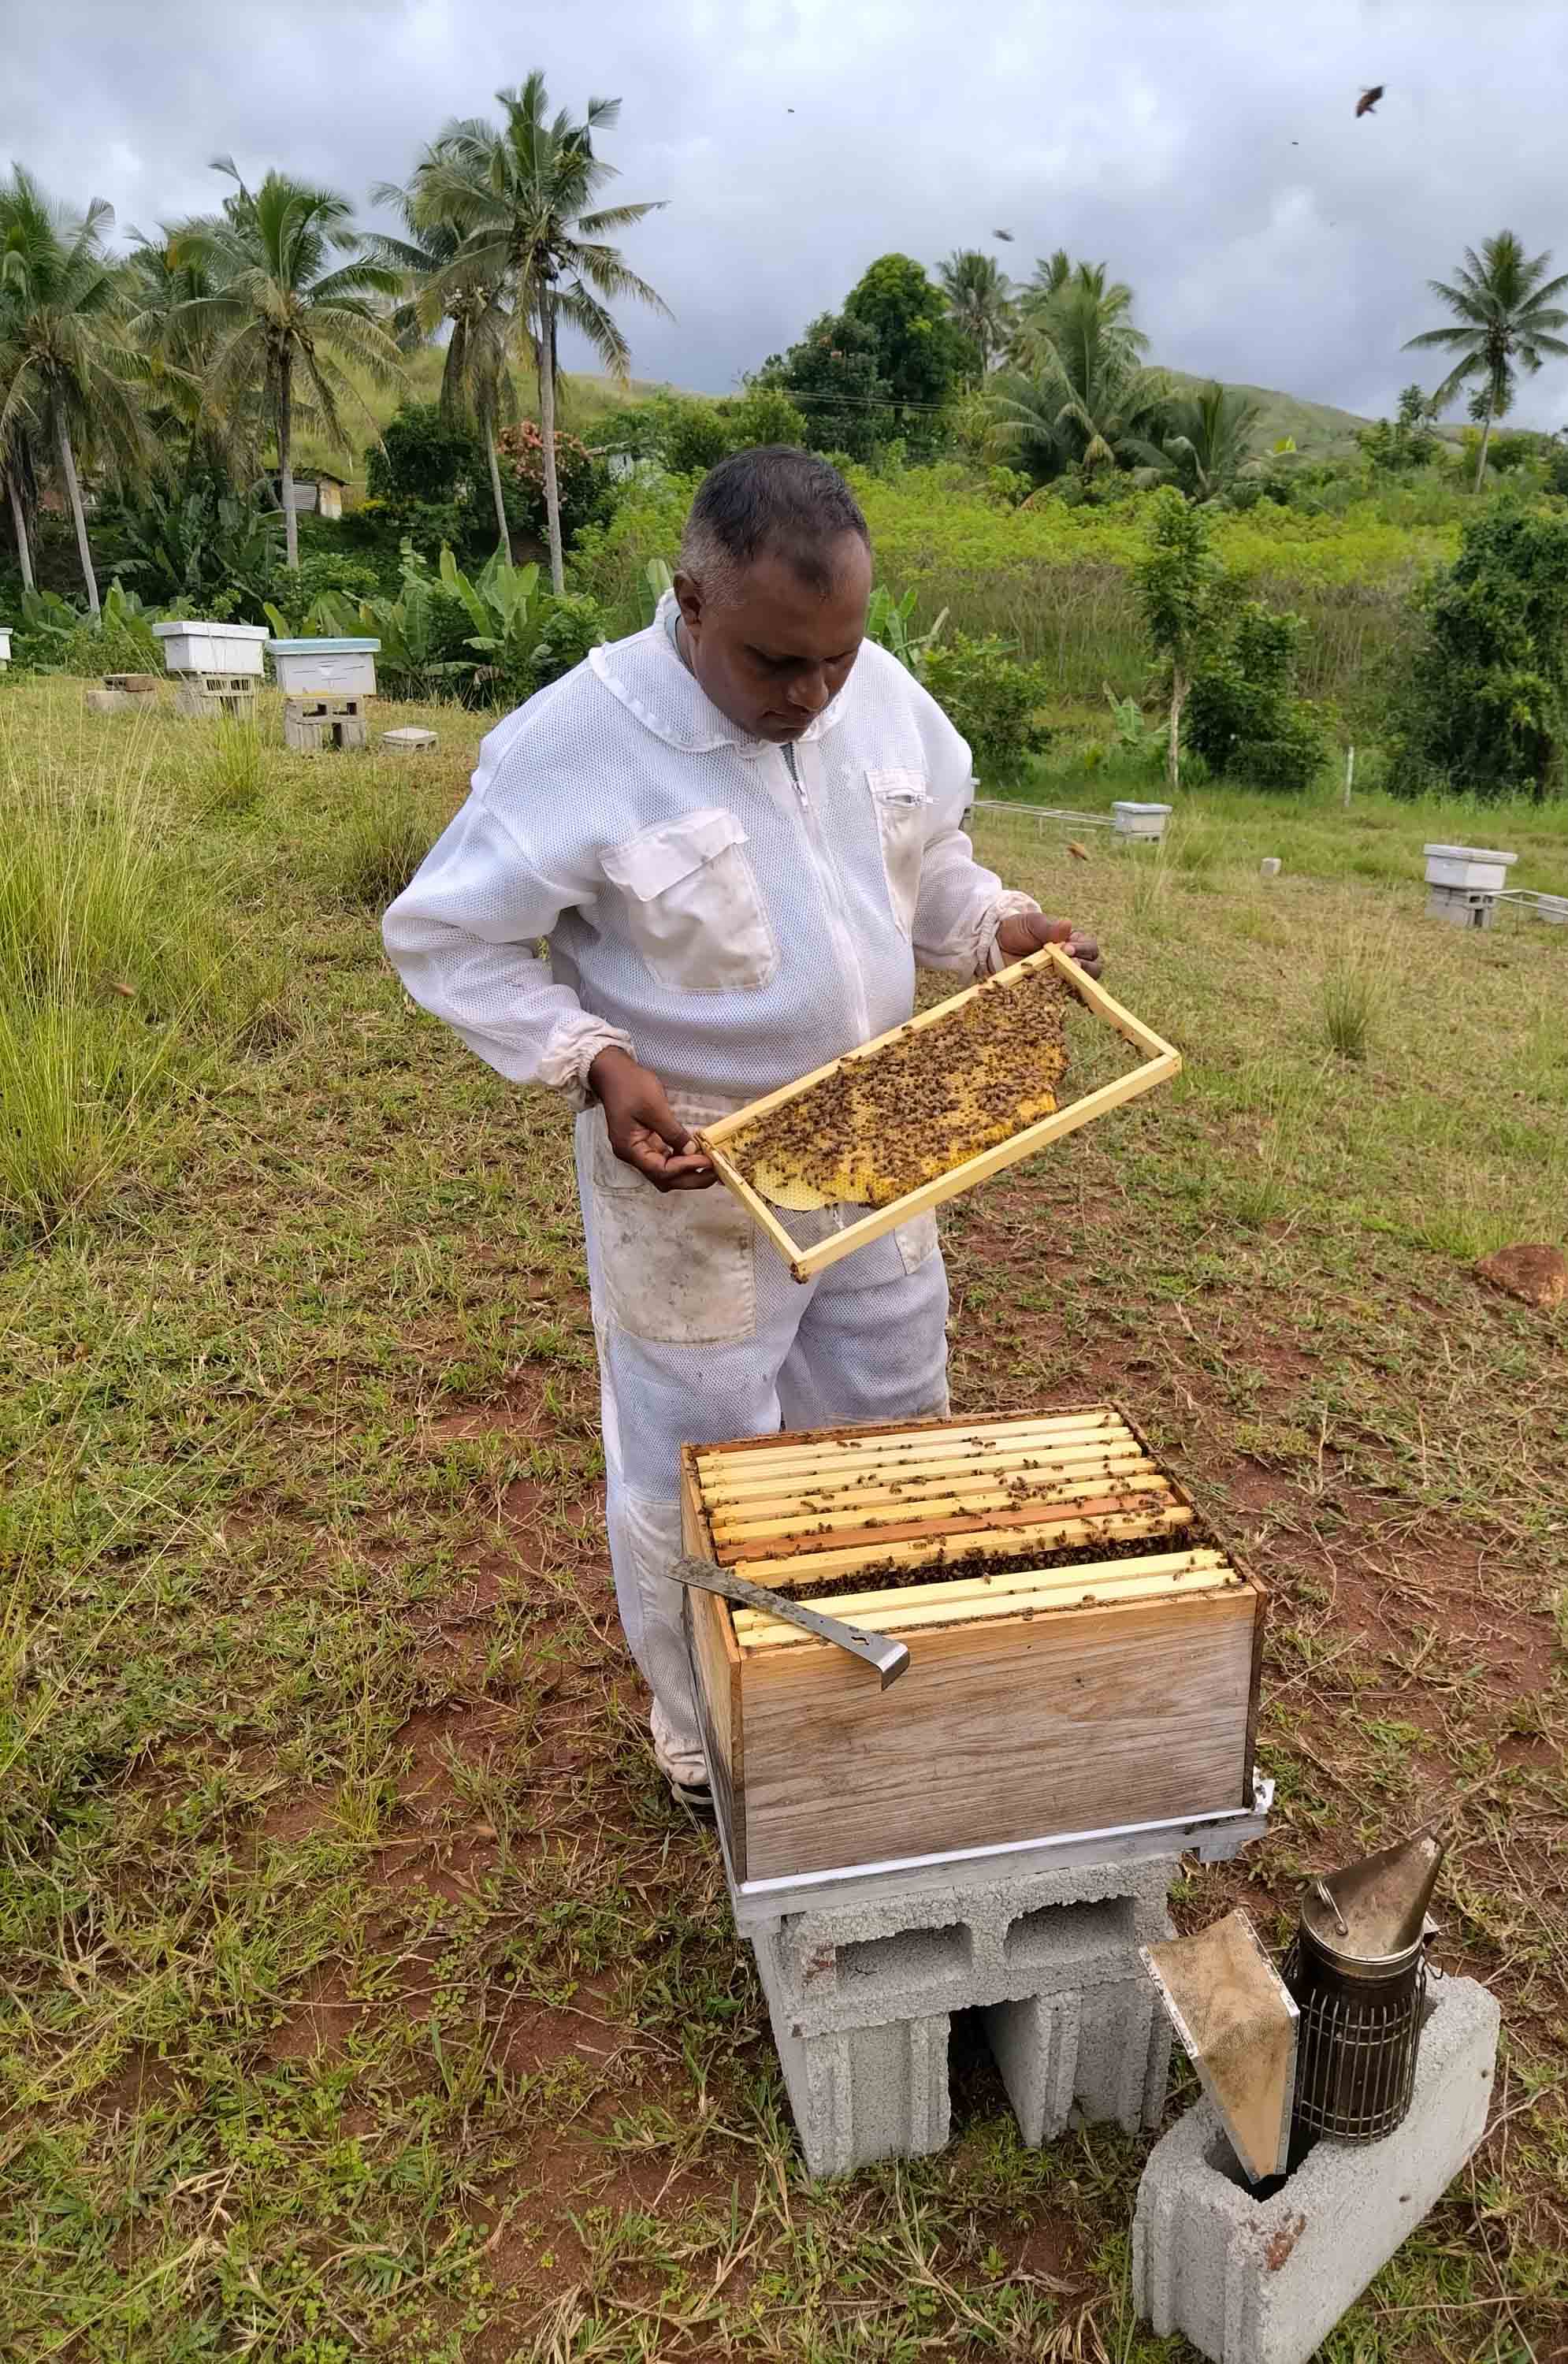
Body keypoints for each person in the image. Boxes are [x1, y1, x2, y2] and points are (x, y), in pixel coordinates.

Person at [383, 446, 1099, 1813]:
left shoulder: (870, 695)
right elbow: (445, 938)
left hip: (882, 1122)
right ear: (690, 601)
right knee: (698, 1459)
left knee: (890, 1416)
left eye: (836, 658)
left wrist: (995, 929)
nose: (812, 695)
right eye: (777, 663)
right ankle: (704, 1728)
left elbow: (930, 859)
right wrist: (592, 1059)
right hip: (696, 1159)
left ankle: (862, 1681)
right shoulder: (576, 740)